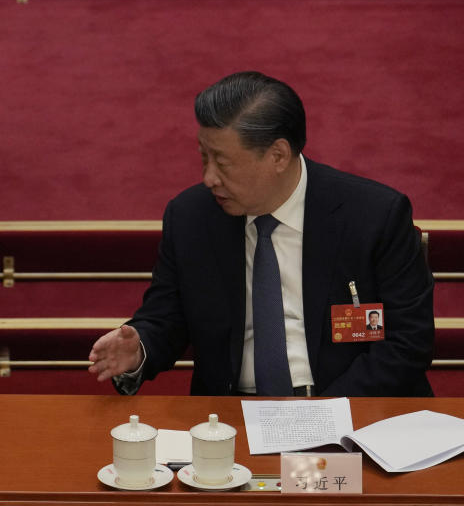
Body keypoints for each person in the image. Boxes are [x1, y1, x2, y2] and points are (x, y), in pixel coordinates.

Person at [88, 71, 433, 397]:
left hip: (347, 408)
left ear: (278, 155)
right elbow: (166, 318)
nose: (209, 177)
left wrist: (325, 420)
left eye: (222, 163)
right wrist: (140, 349)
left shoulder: (373, 215)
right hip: (231, 417)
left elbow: (407, 342)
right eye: (203, 157)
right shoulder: (191, 217)